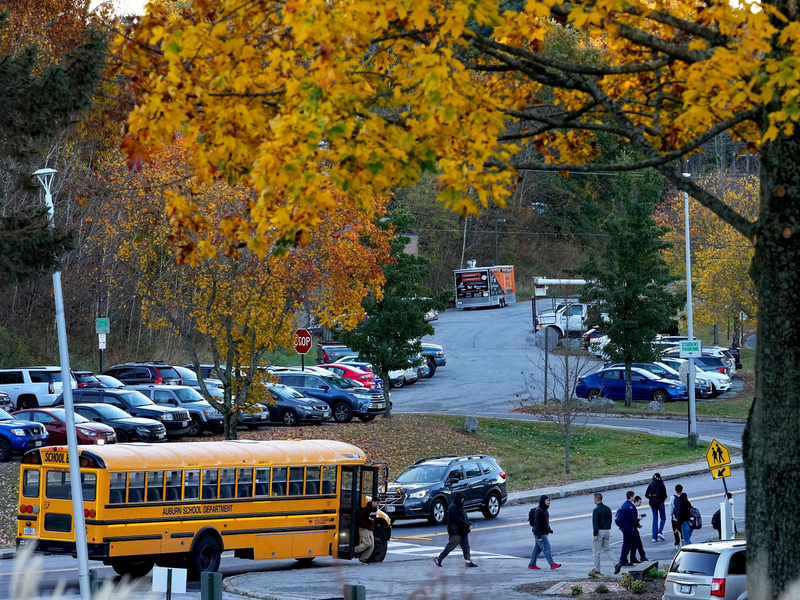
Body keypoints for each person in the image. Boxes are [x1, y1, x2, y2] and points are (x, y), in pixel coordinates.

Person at [434, 493, 477, 568]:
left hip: (462, 531)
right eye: (462, 499)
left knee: (466, 546)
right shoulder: (453, 507)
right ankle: (439, 558)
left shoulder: (459, 506)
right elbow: (458, 520)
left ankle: (468, 561)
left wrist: (468, 523)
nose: (463, 500)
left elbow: (464, 517)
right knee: (451, 546)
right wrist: (467, 525)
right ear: (459, 499)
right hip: (456, 532)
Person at [529, 495, 561, 570]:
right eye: (547, 501)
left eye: (549, 501)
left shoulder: (544, 510)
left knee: (537, 549)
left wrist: (549, 530)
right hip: (540, 533)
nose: (548, 502)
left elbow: (545, 523)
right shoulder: (539, 511)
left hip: (541, 532)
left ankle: (532, 564)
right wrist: (539, 536)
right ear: (543, 501)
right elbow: (537, 524)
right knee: (547, 548)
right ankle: (552, 564)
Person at [614, 491, 639, 574]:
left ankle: (630, 558)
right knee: (628, 544)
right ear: (631, 497)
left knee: (633, 542)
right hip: (628, 527)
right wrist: (638, 519)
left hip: (625, 527)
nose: (634, 497)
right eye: (633, 496)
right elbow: (630, 518)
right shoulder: (630, 506)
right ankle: (623, 560)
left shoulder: (624, 504)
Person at [590, 493, 614, 576]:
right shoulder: (607, 508)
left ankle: (597, 569)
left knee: (596, 552)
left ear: (596, 500)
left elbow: (595, 522)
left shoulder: (596, 510)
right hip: (607, 530)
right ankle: (616, 563)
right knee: (607, 549)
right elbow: (610, 519)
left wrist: (595, 533)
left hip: (600, 531)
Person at [644, 472, 668, 542]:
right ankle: (660, 532)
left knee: (655, 519)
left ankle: (654, 537)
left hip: (653, 503)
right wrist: (662, 500)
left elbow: (646, 495)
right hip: (660, 502)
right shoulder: (661, 484)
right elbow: (665, 495)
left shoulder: (651, 484)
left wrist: (651, 498)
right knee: (663, 518)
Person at [354, 499, 378, 564]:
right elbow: (359, 516)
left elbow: (373, 519)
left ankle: (363, 559)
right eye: (376, 503)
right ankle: (355, 550)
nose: (377, 504)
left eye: (378, 503)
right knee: (367, 543)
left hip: (370, 529)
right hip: (364, 528)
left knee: (372, 546)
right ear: (373, 502)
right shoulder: (367, 508)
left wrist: (372, 526)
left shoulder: (375, 509)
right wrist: (364, 525)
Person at [628, 496, 649, 564]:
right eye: (639, 502)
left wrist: (638, 524)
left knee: (635, 544)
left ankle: (634, 558)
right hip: (633, 529)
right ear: (635, 501)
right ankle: (642, 557)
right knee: (637, 543)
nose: (640, 504)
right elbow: (633, 519)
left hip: (633, 527)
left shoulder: (633, 507)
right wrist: (638, 519)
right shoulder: (633, 508)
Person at [670, 484, 684, 550]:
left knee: (675, 531)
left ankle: (677, 544)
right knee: (682, 531)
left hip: (675, 518)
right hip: (682, 518)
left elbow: (671, 507)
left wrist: (671, 515)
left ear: (675, 490)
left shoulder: (673, 497)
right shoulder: (683, 496)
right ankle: (683, 542)